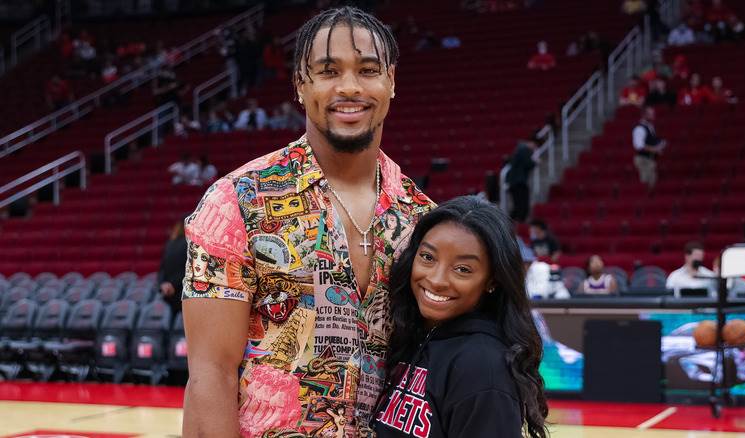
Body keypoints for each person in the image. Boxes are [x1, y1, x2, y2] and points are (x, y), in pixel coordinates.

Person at [181, 7, 434, 437]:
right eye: (328, 70)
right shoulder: (238, 203)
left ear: (391, 80)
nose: (349, 87)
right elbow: (211, 375)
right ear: (301, 84)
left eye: (368, 70)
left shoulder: (422, 217)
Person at [373, 196, 548, 437]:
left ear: (492, 280)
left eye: (462, 269)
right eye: (428, 257)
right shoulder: (410, 335)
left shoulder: (483, 368)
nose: (436, 280)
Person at [157, 218, 188, 315]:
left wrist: (163, 284)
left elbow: (161, 269)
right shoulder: (189, 244)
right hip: (182, 290)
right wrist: (173, 284)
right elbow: (188, 269)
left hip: (167, 291)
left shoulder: (170, 243)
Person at [505, 137, 539, 222]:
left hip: (514, 182)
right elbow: (528, 163)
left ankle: (511, 223)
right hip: (519, 182)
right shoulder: (524, 150)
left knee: (518, 206)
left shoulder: (519, 150)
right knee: (522, 205)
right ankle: (518, 223)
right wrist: (536, 162)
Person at [632, 106, 666, 189]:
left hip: (650, 159)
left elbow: (651, 141)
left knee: (652, 182)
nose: (653, 115)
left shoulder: (650, 127)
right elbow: (639, 146)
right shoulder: (639, 128)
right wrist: (655, 149)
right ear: (644, 115)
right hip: (644, 160)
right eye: (651, 114)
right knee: (647, 184)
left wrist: (659, 145)